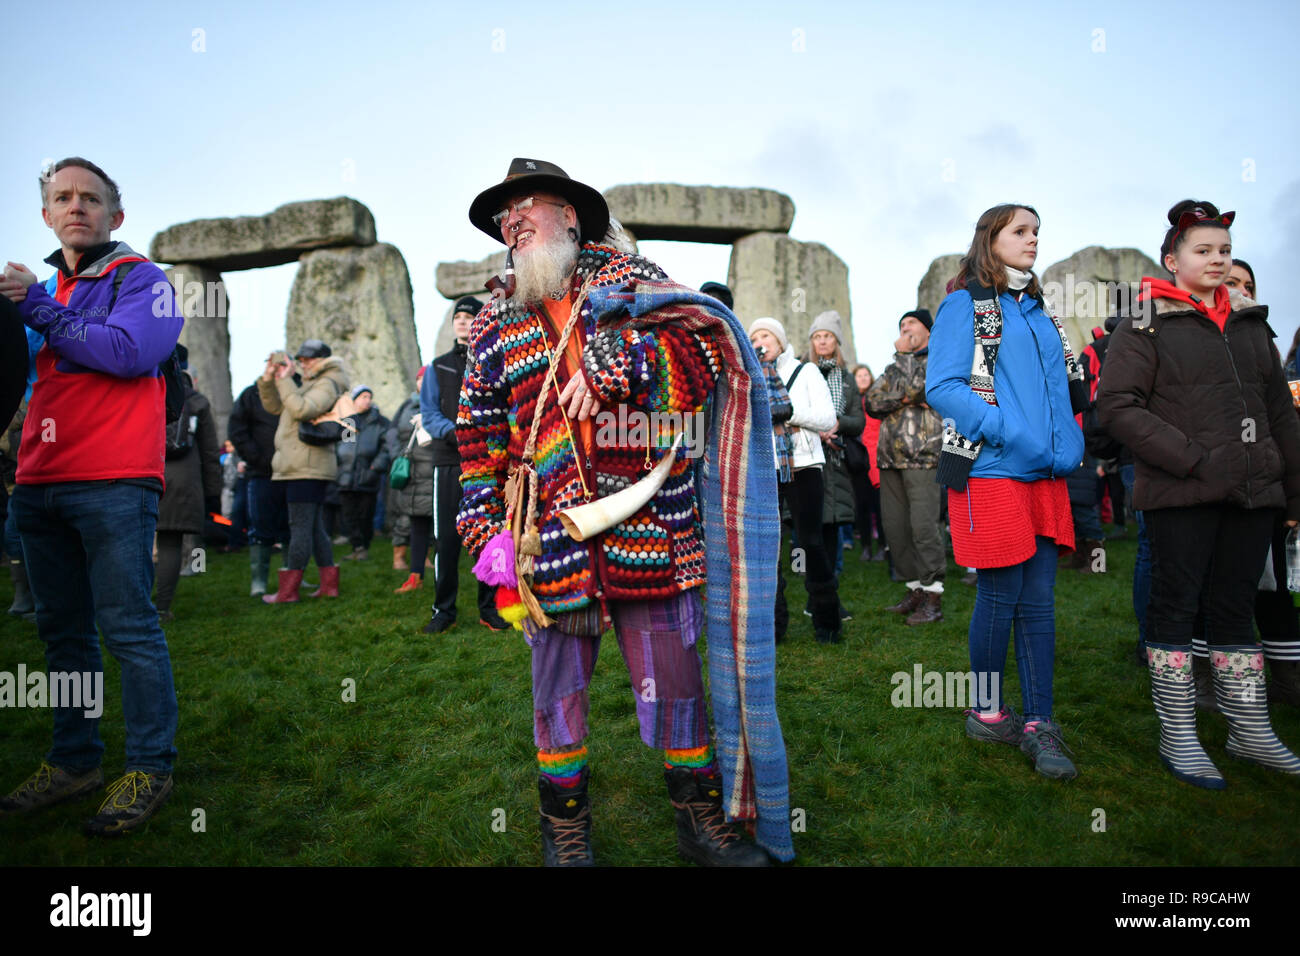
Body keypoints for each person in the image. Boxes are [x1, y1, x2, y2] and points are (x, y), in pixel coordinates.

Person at [458, 158, 790, 866]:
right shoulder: (492, 321)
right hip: (550, 542)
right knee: (558, 697)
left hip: (653, 531)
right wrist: (487, 540)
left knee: (676, 685)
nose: (512, 224)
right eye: (503, 218)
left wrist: (627, 362)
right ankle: (566, 835)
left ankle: (700, 824)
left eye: (528, 209)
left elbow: (707, 359)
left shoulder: (640, 285)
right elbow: (478, 446)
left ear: (573, 217)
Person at [0, 157, 183, 834]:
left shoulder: (147, 282)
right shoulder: (39, 292)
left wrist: (38, 308)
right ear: (47, 214)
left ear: (116, 216)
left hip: (113, 480)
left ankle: (148, 766)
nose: (76, 206)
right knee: (63, 634)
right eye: (61, 197)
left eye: (91, 198)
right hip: (38, 481)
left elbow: (129, 352)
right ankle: (75, 758)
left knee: (129, 629)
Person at [1098, 199, 1300, 787]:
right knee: (1175, 608)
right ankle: (1179, 733)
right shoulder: (1146, 321)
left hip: (1252, 493)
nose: (1217, 260)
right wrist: (1191, 459)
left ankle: (1249, 728)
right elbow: (1116, 406)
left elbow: (1279, 417)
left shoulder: (1250, 322)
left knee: (1236, 610)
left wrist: (1291, 492)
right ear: (1172, 259)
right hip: (1182, 492)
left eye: (1225, 251)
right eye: (1203, 250)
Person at [927, 203, 1087, 781]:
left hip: (1044, 473)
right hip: (992, 470)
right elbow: (942, 385)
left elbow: (1066, 388)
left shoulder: (1040, 310)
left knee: (1039, 603)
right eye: (1021, 231)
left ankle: (1040, 723)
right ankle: (988, 711)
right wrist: (1003, 428)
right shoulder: (964, 303)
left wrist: (1068, 437)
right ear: (990, 240)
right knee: (1000, 596)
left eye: (1037, 231)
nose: (1034, 240)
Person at [749, 316, 842, 643]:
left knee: (811, 542)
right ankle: (774, 625)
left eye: (766, 334)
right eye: (755, 335)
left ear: (780, 340)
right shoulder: (748, 378)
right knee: (766, 547)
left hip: (802, 465)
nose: (760, 340)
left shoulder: (806, 371)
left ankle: (827, 622)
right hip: (764, 468)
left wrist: (788, 414)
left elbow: (827, 418)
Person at [420, 297, 509, 631]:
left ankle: (490, 608)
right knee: (445, 539)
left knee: (488, 533)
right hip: (448, 461)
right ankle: (443, 611)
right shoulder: (437, 366)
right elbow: (429, 414)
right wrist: (461, 434)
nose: (462, 321)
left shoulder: (491, 363)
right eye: (457, 316)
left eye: (469, 316)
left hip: (486, 463)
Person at [866, 309, 946, 624]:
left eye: (911, 323)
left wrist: (903, 390)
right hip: (890, 459)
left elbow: (921, 389)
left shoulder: (939, 360)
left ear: (928, 331)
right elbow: (872, 402)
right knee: (896, 530)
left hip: (924, 457)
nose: (905, 329)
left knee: (924, 528)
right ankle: (915, 590)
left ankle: (934, 597)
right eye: (901, 325)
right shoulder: (892, 367)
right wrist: (905, 398)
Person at [258, 339, 350, 603]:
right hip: (303, 464)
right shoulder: (313, 381)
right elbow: (277, 407)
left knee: (298, 527)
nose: (303, 363)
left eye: (308, 359)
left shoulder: (328, 382)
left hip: (307, 466)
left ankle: (288, 590)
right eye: (301, 359)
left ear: (322, 359)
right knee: (313, 528)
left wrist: (287, 380)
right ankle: (328, 585)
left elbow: (301, 408)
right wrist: (269, 380)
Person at [155, 361, 221, 622]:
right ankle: (162, 608)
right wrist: (213, 495)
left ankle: (130, 606)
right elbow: (210, 451)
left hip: (145, 472)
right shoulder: (198, 401)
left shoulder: (147, 390)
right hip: (183, 479)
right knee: (170, 543)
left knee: (134, 544)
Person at [805, 311, 863, 592]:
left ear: (836, 341)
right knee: (811, 522)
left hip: (837, 458)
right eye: (817, 337)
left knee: (833, 523)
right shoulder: (804, 372)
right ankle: (813, 582)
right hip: (810, 455)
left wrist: (836, 424)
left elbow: (858, 420)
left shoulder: (847, 379)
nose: (822, 341)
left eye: (827, 336)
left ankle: (832, 579)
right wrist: (819, 428)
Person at [229, 376, 288, 596]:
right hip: (261, 471)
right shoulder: (250, 395)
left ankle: (291, 578)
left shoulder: (294, 391)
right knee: (260, 525)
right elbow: (237, 430)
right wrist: (255, 457)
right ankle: (259, 581)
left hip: (291, 470)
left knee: (290, 526)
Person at [389, 366, 433, 591]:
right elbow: (392, 433)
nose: (422, 383)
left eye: (427, 379)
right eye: (419, 379)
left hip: (434, 471)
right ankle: (414, 574)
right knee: (413, 522)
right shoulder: (406, 407)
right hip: (412, 473)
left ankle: (438, 574)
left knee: (438, 528)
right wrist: (397, 455)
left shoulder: (442, 404)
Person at [336, 384, 390, 562]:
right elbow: (344, 446)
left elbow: (385, 448)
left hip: (368, 475)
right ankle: (356, 546)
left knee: (365, 515)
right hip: (347, 476)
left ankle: (363, 547)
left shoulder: (379, 422)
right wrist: (341, 467)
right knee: (349, 514)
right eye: (362, 397)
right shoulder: (349, 421)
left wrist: (375, 467)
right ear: (354, 400)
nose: (367, 400)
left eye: (369, 397)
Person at [851, 364, 886, 563]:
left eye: (866, 375)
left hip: (877, 457)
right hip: (858, 457)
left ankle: (883, 545)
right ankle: (866, 546)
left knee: (879, 505)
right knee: (861, 505)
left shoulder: (877, 400)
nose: (863, 378)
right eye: (859, 375)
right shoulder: (853, 402)